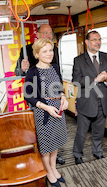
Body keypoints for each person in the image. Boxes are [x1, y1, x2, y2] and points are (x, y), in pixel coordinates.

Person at [15, 24, 65, 165]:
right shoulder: (26, 50)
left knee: (56, 135)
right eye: (45, 33)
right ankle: (43, 161)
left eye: (50, 33)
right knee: (43, 136)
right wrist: (21, 68)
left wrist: (63, 96)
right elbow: (18, 72)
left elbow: (58, 77)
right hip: (38, 99)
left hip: (54, 98)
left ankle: (54, 159)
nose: (48, 35)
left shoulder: (54, 50)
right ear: (37, 34)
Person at [24, 38, 68, 187]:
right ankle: (48, 172)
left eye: (50, 50)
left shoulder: (55, 67)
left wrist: (63, 97)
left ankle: (54, 168)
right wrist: (46, 107)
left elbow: (60, 87)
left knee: (55, 142)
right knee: (45, 145)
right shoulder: (32, 71)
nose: (49, 54)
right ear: (37, 54)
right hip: (43, 112)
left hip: (58, 110)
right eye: (44, 51)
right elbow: (28, 95)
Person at [72, 30, 107, 165]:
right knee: (81, 132)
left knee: (99, 131)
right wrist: (95, 79)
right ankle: (77, 154)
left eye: (99, 39)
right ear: (87, 42)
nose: (98, 42)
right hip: (86, 102)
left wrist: (106, 78)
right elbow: (76, 81)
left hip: (103, 102)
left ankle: (98, 152)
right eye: (94, 40)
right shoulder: (79, 60)